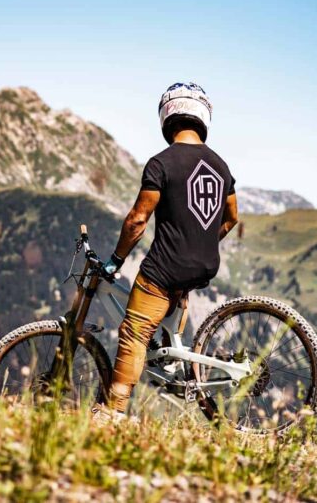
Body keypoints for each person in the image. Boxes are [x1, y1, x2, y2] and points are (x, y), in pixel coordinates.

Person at [95, 82, 239, 421]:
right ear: (203, 117)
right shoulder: (221, 167)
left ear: (167, 116)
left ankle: (113, 414)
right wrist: (201, 241)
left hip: (165, 268)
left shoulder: (161, 163)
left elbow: (137, 221)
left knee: (133, 331)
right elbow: (232, 218)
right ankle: (173, 360)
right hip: (203, 265)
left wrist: (116, 260)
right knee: (166, 324)